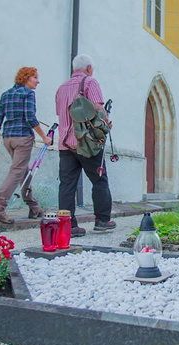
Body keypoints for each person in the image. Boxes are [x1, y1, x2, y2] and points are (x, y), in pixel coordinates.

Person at [55, 54, 115, 237]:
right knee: (99, 180)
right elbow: (97, 107)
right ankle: (102, 221)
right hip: (87, 143)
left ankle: (68, 226)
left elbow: (60, 114)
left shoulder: (61, 88)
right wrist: (106, 122)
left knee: (66, 185)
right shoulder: (90, 82)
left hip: (65, 144)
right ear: (89, 68)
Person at [0, 67, 53, 224]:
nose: (38, 81)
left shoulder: (6, 94)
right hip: (23, 138)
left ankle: (34, 206)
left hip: (8, 138)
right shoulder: (29, 94)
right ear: (26, 78)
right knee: (17, 171)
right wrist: (44, 137)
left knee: (23, 171)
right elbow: (30, 117)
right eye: (35, 77)